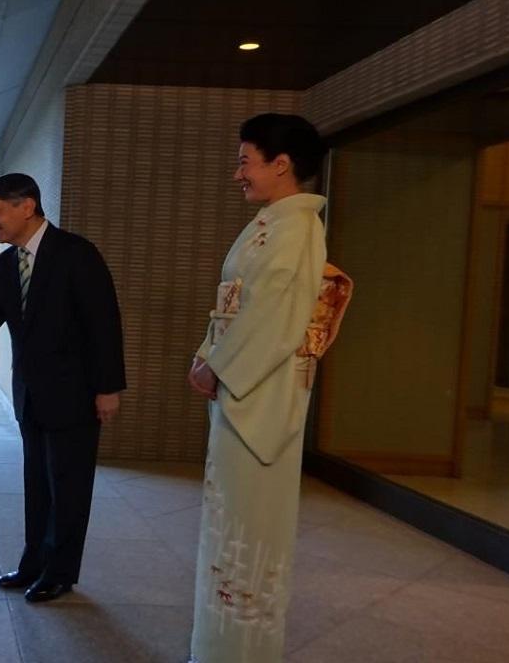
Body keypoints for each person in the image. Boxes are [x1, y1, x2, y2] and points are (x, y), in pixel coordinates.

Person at [0, 173, 126, 603]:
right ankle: (32, 563)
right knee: (37, 483)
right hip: (31, 395)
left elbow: (104, 324)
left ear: (27, 206)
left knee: (70, 486)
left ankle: (60, 572)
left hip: (76, 395)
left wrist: (108, 388)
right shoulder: (6, 264)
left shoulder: (77, 254)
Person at [185, 113, 334, 663]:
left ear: (282, 164)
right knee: (232, 517)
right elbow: (238, 305)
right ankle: (220, 644)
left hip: (261, 394)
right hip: (244, 387)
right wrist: (208, 355)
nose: (238, 174)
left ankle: (240, 650)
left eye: (246, 161)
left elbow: (276, 316)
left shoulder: (297, 229)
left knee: (248, 521)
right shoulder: (276, 222)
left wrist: (217, 365)